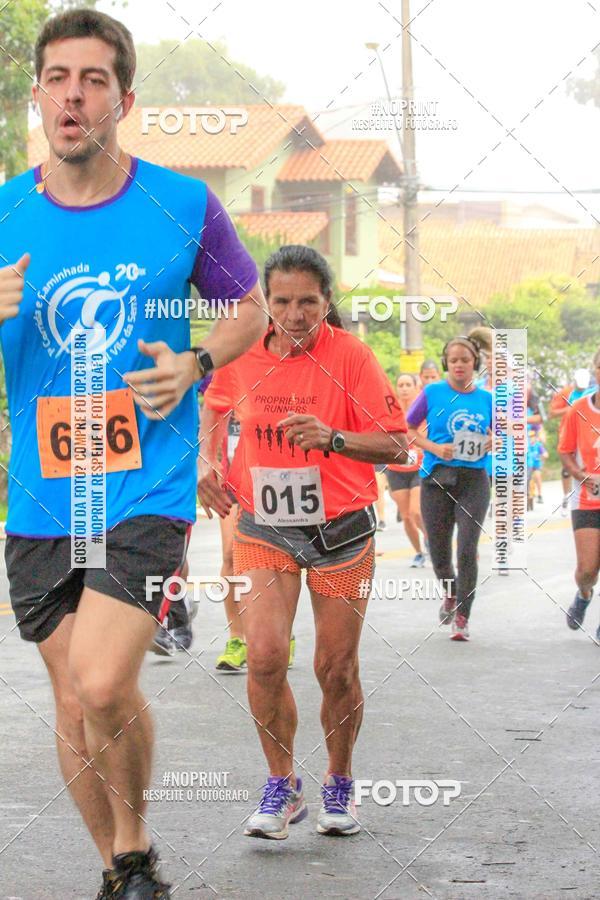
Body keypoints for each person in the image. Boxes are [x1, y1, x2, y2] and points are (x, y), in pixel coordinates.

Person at [0, 10, 267, 898]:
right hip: (41, 497)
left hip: (144, 483)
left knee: (104, 678)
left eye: (95, 79)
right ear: (37, 94)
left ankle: (135, 843)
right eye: (58, 78)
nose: (73, 94)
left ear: (123, 98)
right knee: (73, 700)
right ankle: (124, 866)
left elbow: (249, 309)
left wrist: (196, 362)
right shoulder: (3, 213)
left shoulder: (181, 204)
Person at [198, 245, 408, 840]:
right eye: (282, 301)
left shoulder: (352, 357)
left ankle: (339, 781)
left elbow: (397, 445)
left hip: (341, 531)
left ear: (327, 302)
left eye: (307, 303)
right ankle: (282, 784)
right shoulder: (239, 355)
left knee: (334, 667)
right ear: (264, 301)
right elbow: (214, 406)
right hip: (265, 528)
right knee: (264, 656)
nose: (293, 315)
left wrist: (335, 438)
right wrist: (206, 462)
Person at [407, 337, 492, 640]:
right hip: (436, 479)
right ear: (446, 363)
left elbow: (504, 432)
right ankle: (451, 592)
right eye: (453, 360)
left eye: (465, 360)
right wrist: (433, 446)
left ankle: (463, 616)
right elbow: (407, 430)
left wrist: (493, 440)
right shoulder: (431, 393)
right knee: (440, 553)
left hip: (474, 480)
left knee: (467, 549)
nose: (459, 365)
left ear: (475, 364)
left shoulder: (487, 399)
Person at [558, 349, 600, 638]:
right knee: (587, 569)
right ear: (595, 370)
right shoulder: (579, 410)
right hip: (587, 498)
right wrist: (581, 475)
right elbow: (565, 452)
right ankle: (584, 595)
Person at [387, 373, 427, 566]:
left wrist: (421, 446)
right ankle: (419, 552)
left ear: (415, 387)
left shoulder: (421, 410)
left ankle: (431, 541)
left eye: (407, 384)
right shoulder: (391, 411)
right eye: (400, 384)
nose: (403, 388)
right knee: (405, 517)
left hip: (419, 468)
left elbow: (428, 435)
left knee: (416, 512)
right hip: (396, 469)